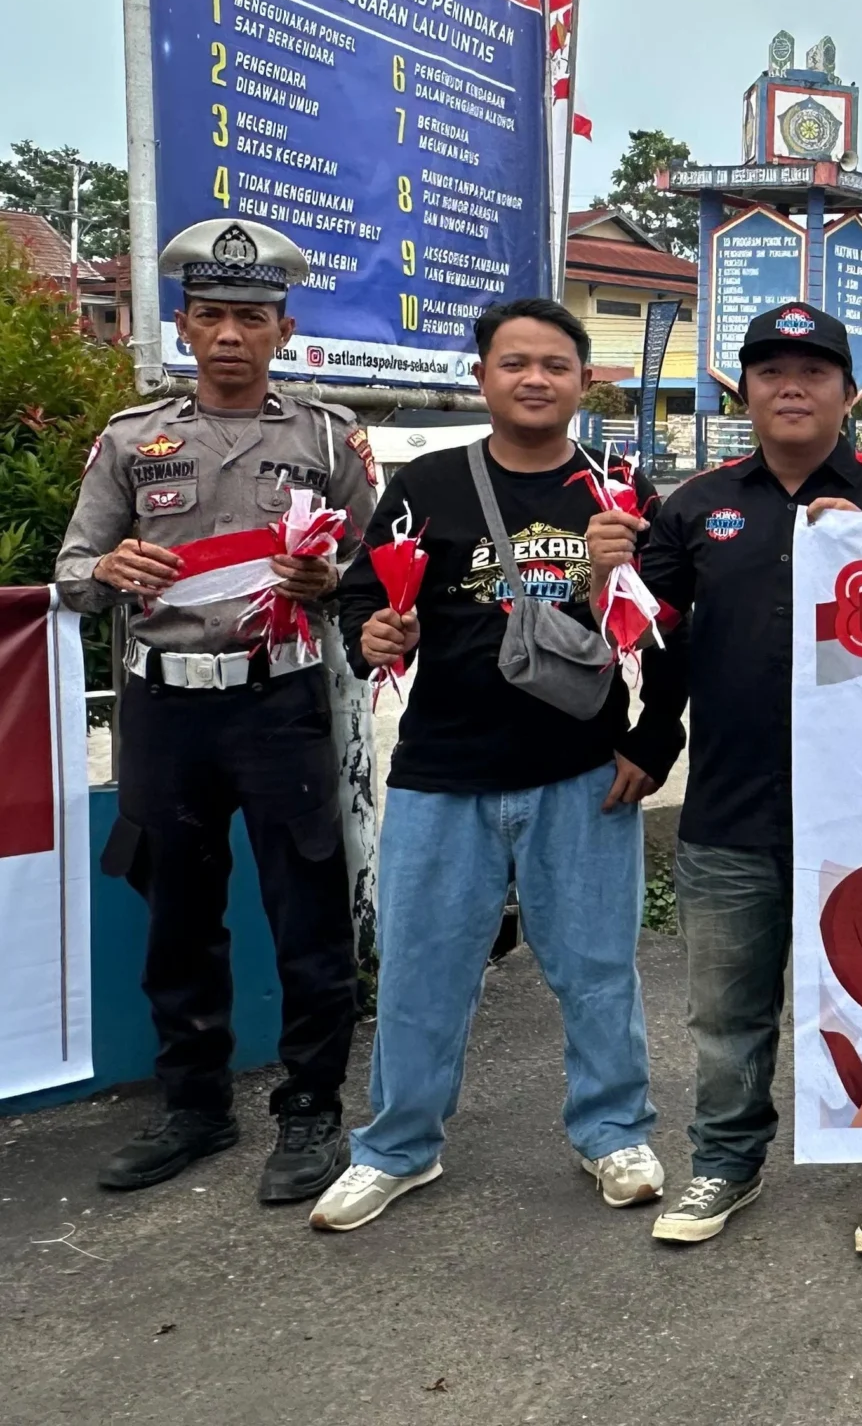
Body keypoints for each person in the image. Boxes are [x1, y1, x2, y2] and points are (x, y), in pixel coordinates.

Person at [311, 299, 687, 1233]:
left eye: (555, 365)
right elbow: (362, 598)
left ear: (585, 382)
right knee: (420, 971)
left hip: (581, 770)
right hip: (443, 771)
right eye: (514, 363)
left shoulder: (619, 491)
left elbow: (672, 622)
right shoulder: (427, 485)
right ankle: (397, 1147)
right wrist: (375, 632)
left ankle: (613, 1132)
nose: (534, 379)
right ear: (481, 377)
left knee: (597, 969)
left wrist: (653, 736)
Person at [599, 303, 862, 1253]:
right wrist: (645, 722)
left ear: (850, 390)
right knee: (727, 1009)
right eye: (769, 372)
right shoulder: (693, 506)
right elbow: (655, 639)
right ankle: (726, 1160)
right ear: (745, 391)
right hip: (733, 801)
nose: (791, 387)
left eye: (813, 371)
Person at [55, 218, 374, 1203]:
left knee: (307, 911)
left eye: (251, 317)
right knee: (179, 916)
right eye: (211, 316)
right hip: (166, 707)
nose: (230, 335)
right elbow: (72, 572)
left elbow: (377, 564)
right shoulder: (132, 440)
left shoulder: (325, 437)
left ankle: (311, 1109)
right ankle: (194, 1106)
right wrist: (109, 568)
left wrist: (332, 579)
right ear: (184, 327)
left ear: (284, 330)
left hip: (279, 700)